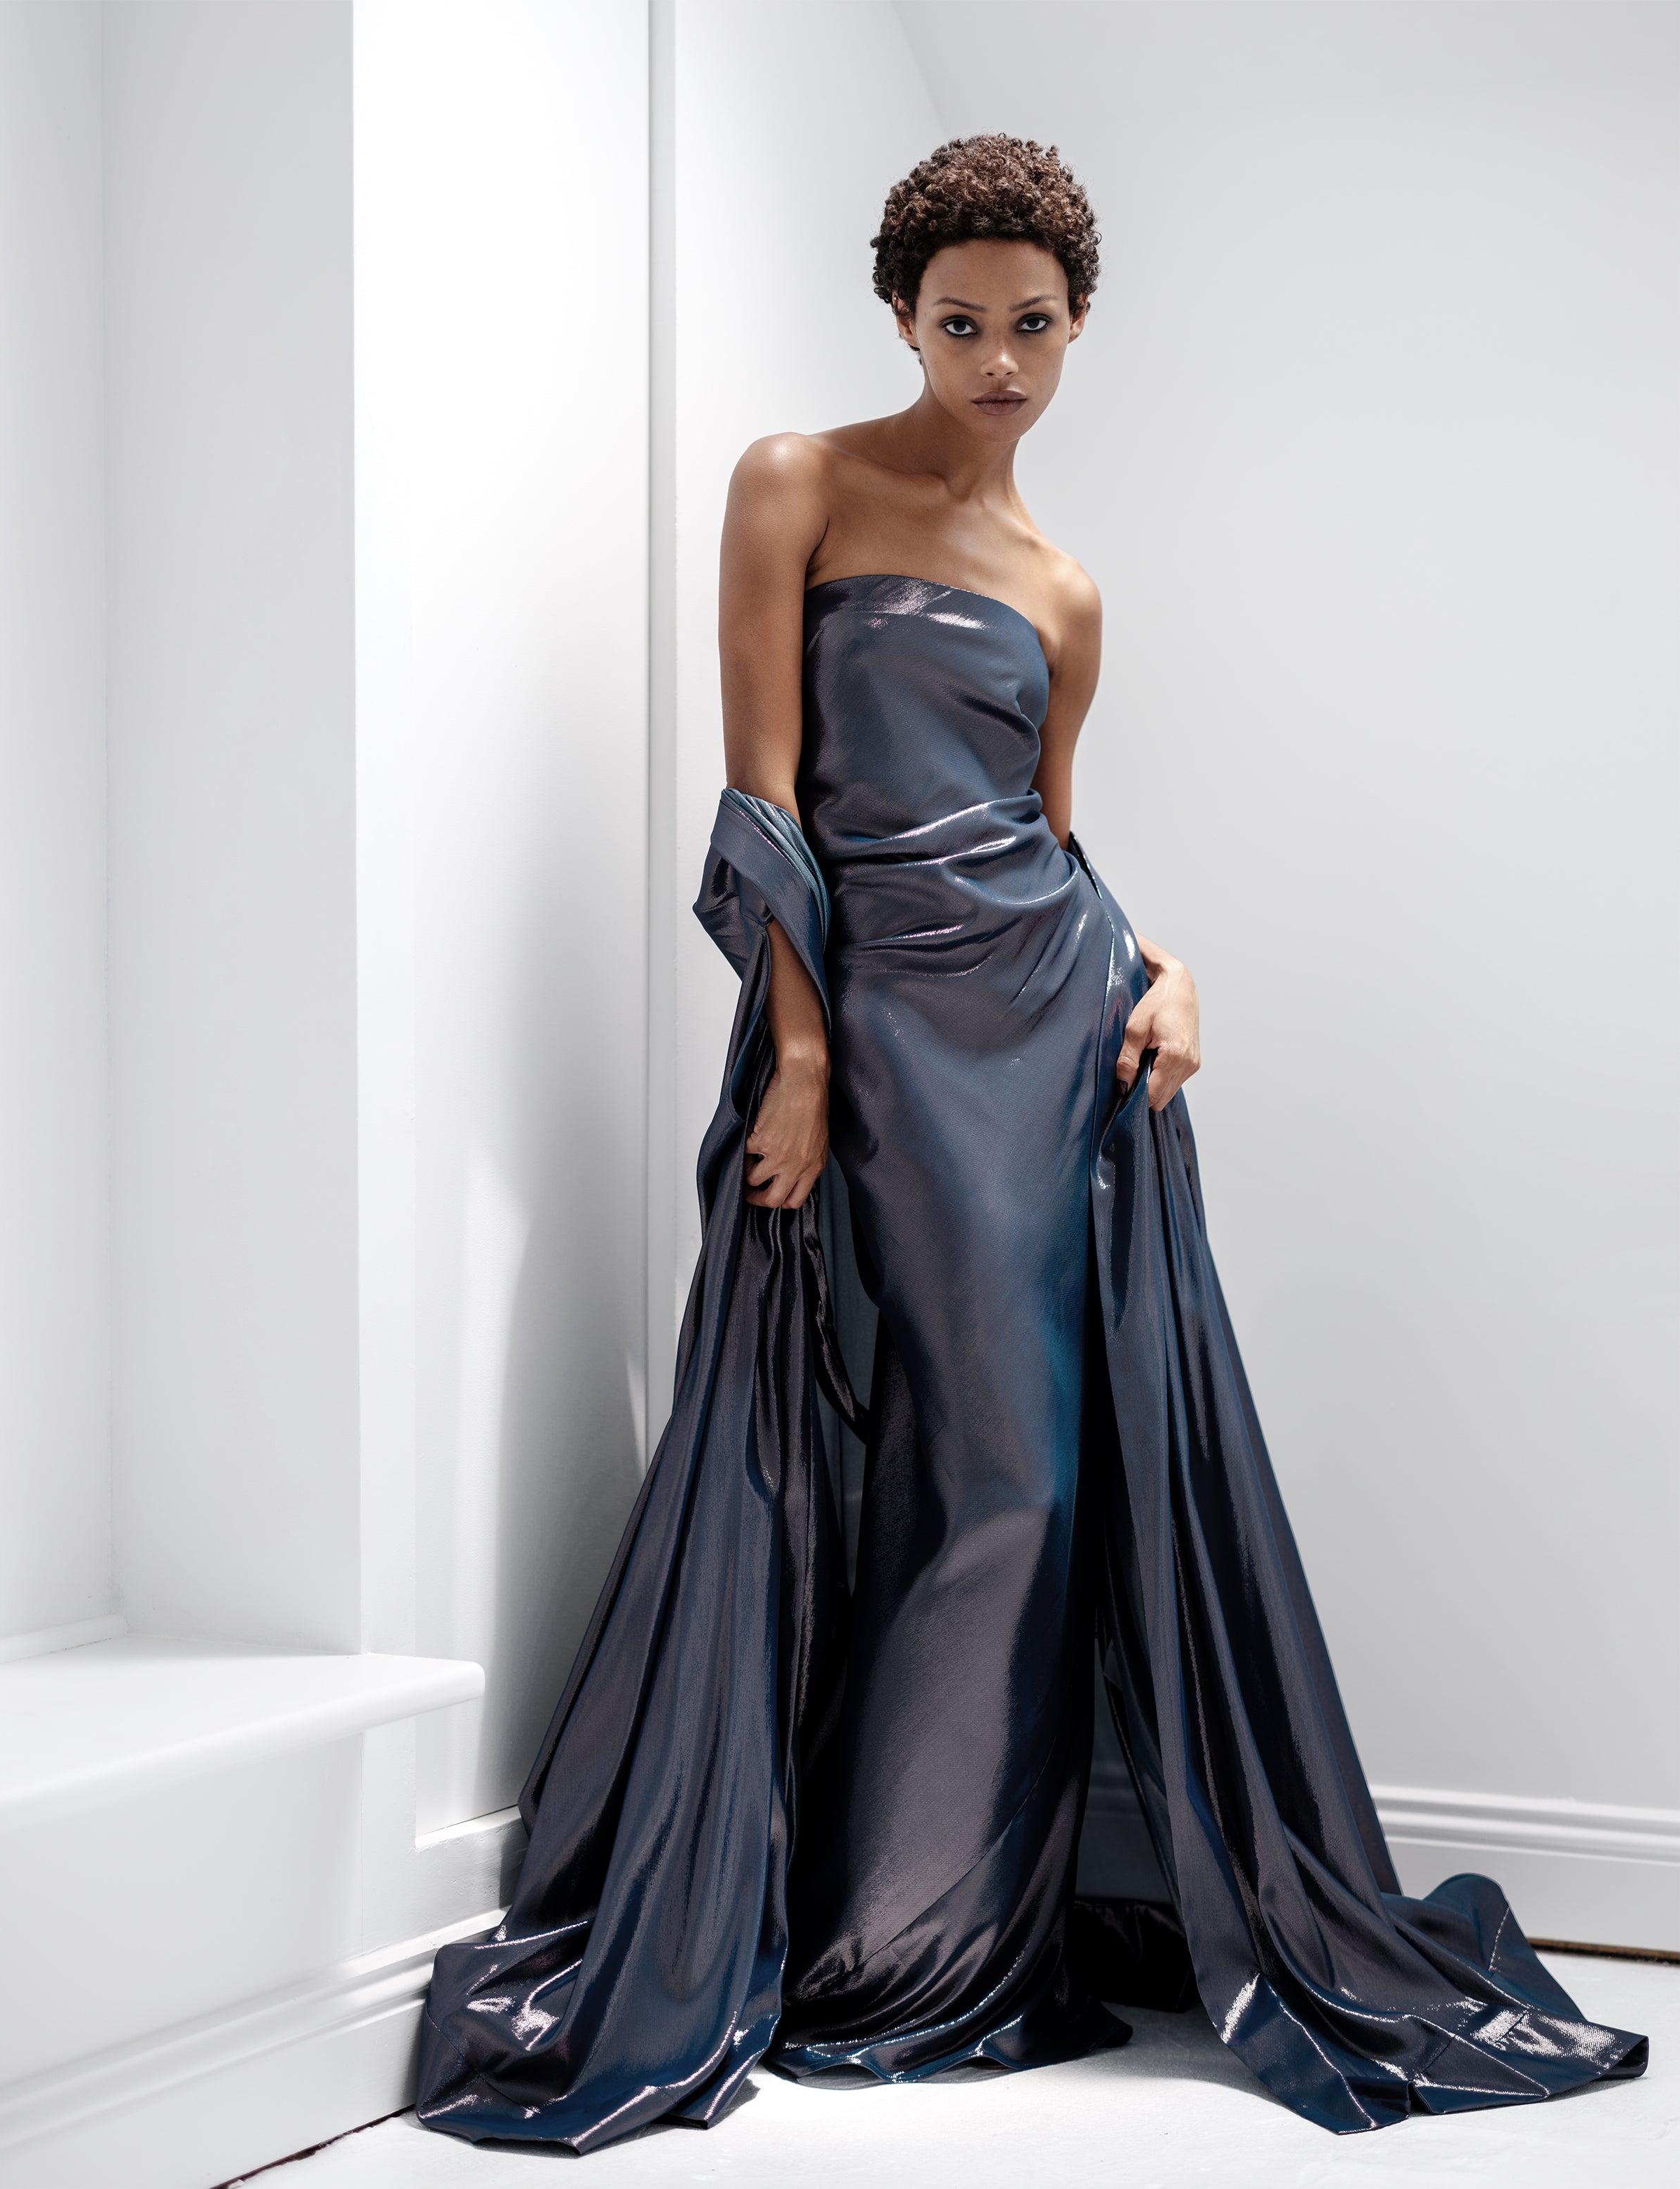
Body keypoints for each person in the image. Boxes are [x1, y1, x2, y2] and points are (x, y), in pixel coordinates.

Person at [415, 136, 1646, 2153]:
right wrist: (796, 1052)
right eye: (958, 323)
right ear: (899, 318)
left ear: (1079, 329)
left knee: (1036, 1478)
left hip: (1056, 1036)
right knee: (959, 1467)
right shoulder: (792, 481)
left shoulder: (1064, 590)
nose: (997, 361)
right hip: (874, 1026)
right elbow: (762, 806)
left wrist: (1164, 961)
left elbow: (1050, 840)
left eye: (1033, 327)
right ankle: (885, 1946)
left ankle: (961, 1930)